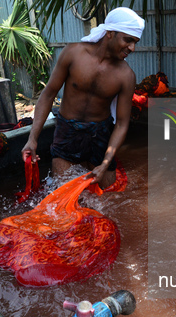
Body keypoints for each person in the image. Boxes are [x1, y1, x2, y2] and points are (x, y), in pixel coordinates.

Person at [21, 7, 145, 189]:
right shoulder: (73, 54)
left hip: (100, 134)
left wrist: (105, 162)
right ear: (110, 33)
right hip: (67, 132)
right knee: (62, 200)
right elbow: (48, 94)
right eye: (128, 40)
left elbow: (121, 124)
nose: (132, 48)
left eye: (135, 42)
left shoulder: (126, 76)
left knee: (109, 200)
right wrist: (32, 139)